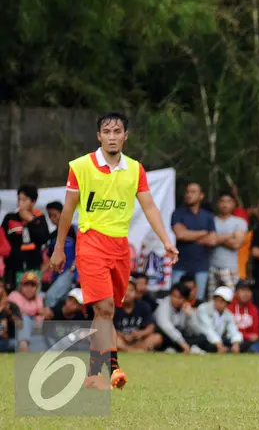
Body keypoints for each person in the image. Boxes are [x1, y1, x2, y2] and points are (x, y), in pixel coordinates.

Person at [49, 112, 179, 390]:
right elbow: (68, 210)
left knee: (106, 311)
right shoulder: (81, 166)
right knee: (104, 307)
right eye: (106, 131)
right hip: (91, 243)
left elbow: (150, 207)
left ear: (125, 136)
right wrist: (59, 248)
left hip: (120, 246)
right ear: (98, 136)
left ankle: (94, 374)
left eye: (117, 131)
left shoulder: (135, 169)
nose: (111, 136)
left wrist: (167, 241)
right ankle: (114, 367)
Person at [171, 182, 216, 299]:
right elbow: (180, 235)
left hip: (201, 267)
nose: (189, 194)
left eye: (193, 192)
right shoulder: (178, 213)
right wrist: (203, 233)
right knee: (176, 298)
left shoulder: (208, 216)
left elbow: (212, 240)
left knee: (198, 300)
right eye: (188, 191)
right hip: (180, 265)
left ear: (201, 195)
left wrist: (189, 234)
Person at [1, 184, 50, 291]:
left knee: (32, 298)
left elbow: (44, 238)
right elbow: (3, 241)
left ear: (33, 202)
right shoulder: (10, 218)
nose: (20, 202)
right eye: (19, 199)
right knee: (13, 298)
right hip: (13, 267)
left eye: (25, 199)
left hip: (33, 266)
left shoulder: (39, 218)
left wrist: (30, 220)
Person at [209, 192, 247, 292]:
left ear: (234, 204)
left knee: (231, 298)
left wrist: (216, 238)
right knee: (211, 300)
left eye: (229, 201)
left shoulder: (240, 222)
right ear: (217, 203)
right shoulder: (211, 220)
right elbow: (208, 240)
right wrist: (231, 235)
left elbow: (236, 244)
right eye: (222, 201)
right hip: (211, 267)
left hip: (231, 269)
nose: (225, 204)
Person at [193, 286, 244, 353]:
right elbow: (208, 330)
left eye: (222, 301)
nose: (219, 303)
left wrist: (236, 343)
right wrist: (219, 345)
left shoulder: (228, 314)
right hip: (203, 339)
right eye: (217, 299)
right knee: (203, 340)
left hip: (218, 340)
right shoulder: (203, 308)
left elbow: (233, 330)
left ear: (227, 303)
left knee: (241, 343)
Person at [115, 281, 162, 352]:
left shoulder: (144, 306)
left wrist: (139, 333)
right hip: (122, 340)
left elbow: (151, 327)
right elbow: (110, 328)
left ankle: (129, 349)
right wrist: (122, 335)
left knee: (157, 338)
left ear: (136, 293)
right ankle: (134, 350)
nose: (127, 293)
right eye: (124, 290)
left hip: (139, 340)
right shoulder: (114, 307)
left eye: (131, 290)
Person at [228, 280, 259, 350]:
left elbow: (256, 334)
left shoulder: (254, 309)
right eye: (243, 290)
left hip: (248, 342)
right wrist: (246, 336)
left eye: (248, 290)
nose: (246, 293)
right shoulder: (229, 308)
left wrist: (248, 337)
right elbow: (227, 331)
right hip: (231, 339)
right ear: (236, 292)